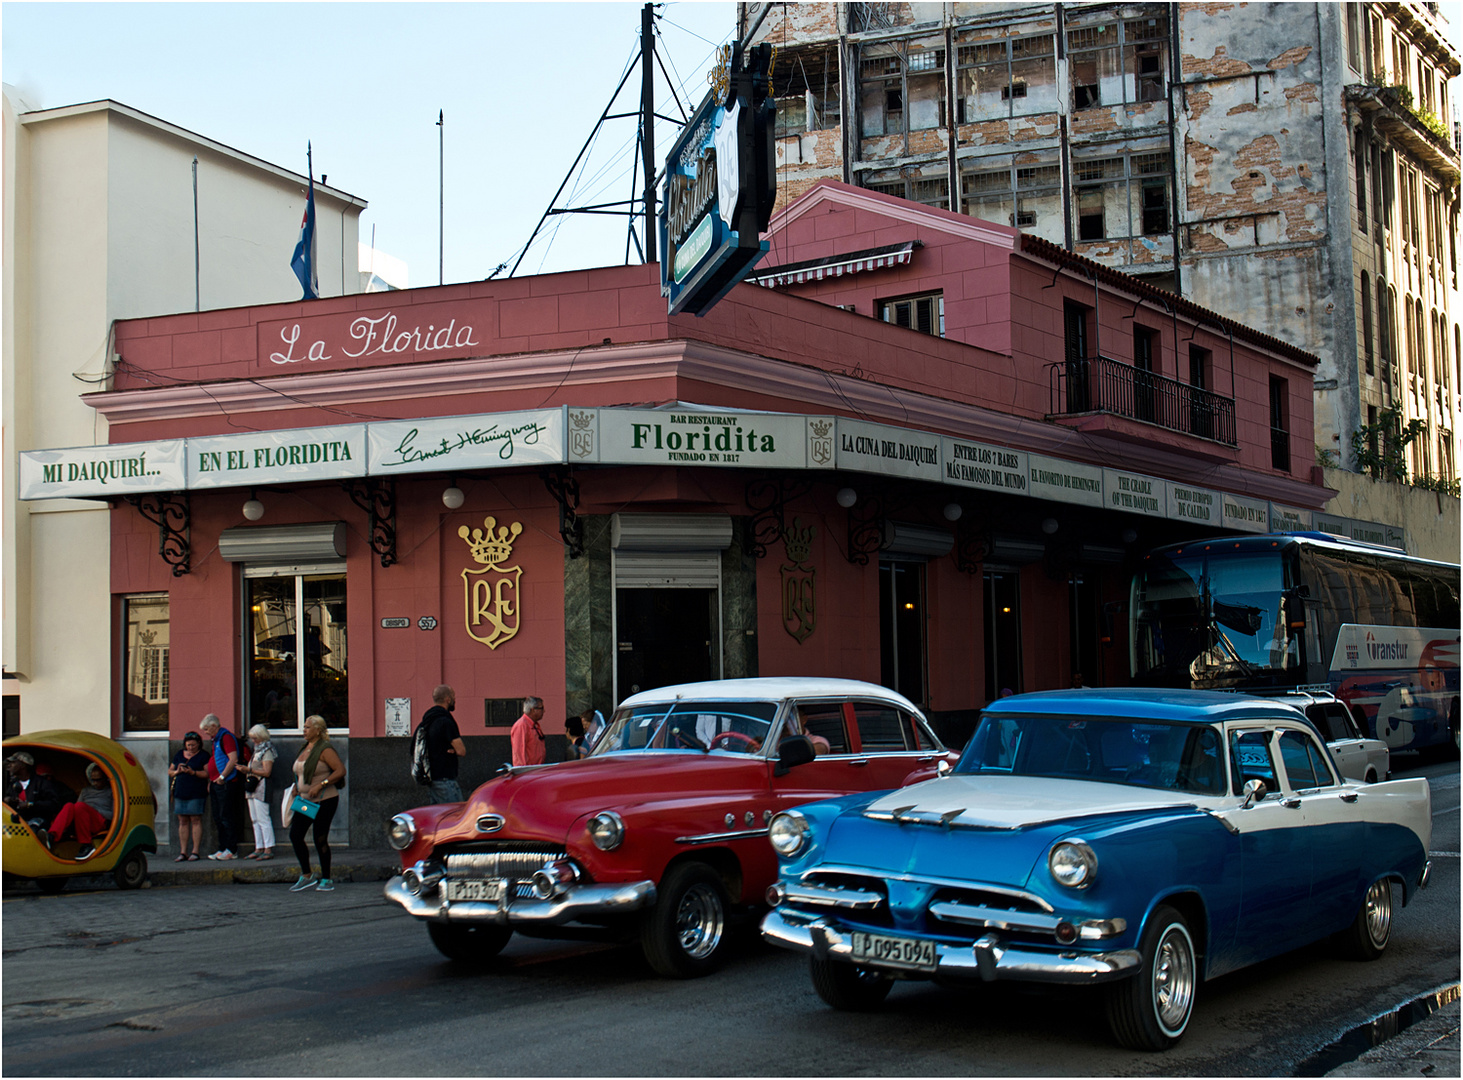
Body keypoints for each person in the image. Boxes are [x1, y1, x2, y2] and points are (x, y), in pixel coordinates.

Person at [288, 714, 345, 893]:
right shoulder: (305, 748)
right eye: (304, 727)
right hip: (305, 800)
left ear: (318, 730)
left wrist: (322, 784)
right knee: (295, 835)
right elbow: (300, 772)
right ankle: (307, 875)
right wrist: (297, 787)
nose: (303, 730)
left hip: (324, 800)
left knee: (320, 838)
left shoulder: (324, 749)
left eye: (307, 727)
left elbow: (340, 770)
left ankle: (326, 878)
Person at [47, 763, 115, 859]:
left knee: (80, 806)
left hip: (99, 820)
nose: (95, 783)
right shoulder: (86, 791)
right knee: (69, 805)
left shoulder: (111, 792)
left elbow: (113, 815)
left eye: (98, 780)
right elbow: (76, 808)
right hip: (82, 818)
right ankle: (52, 835)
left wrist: (93, 809)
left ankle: (86, 844)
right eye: (93, 780)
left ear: (105, 778)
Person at [199, 715, 243, 860]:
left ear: (214, 725)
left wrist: (222, 777)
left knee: (226, 816)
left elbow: (233, 759)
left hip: (226, 782)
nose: (205, 732)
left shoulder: (226, 738)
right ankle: (222, 847)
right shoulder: (216, 739)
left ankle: (231, 849)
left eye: (206, 729)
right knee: (218, 817)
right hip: (216, 782)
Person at [418, 684, 466, 803]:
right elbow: (461, 750)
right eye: (453, 697)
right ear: (448, 699)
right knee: (455, 815)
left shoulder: (427, 720)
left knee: (438, 816)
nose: (455, 700)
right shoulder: (446, 721)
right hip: (446, 780)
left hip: (432, 778)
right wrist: (454, 749)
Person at [167, 731, 210, 861]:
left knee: (195, 819)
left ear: (199, 744)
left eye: (193, 745)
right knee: (182, 820)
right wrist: (177, 771)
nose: (190, 748)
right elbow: (170, 772)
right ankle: (183, 851)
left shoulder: (203, 755)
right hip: (181, 790)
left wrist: (193, 772)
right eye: (188, 745)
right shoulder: (179, 754)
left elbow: (207, 773)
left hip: (196, 791)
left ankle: (195, 851)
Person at [4, 751, 72, 832]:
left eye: (13, 763)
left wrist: (31, 805)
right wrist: (8, 800)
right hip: (17, 820)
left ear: (22, 765)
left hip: (38, 821)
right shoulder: (13, 783)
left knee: (33, 830)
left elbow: (53, 804)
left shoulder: (42, 783)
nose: (10, 765)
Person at [239, 724, 277, 860]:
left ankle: (268, 848)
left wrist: (248, 770)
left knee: (263, 818)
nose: (253, 741)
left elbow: (267, 772)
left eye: (255, 738)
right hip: (253, 788)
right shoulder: (257, 750)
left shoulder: (267, 751)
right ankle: (259, 846)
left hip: (262, 786)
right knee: (255, 819)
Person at [511, 696, 546, 766]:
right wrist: (524, 773)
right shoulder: (521, 725)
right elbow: (519, 753)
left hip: (536, 769)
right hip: (528, 772)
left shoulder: (534, 725)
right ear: (533, 710)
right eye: (541, 708)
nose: (544, 711)